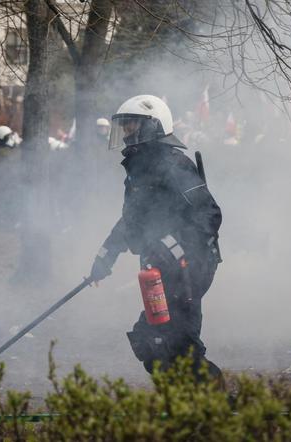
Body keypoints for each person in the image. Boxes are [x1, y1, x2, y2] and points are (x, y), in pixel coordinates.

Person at [89, 95, 223, 383]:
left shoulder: (173, 164)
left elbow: (208, 215)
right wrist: (104, 257)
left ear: (152, 125)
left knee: (177, 344)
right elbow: (132, 221)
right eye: (123, 127)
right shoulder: (139, 169)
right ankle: (181, 405)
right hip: (161, 269)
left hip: (189, 268)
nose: (126, 133)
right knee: (151, 343)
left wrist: (170, 245)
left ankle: (218, 407)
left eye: (131, 125)